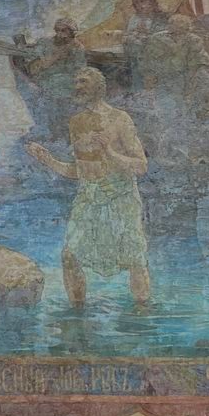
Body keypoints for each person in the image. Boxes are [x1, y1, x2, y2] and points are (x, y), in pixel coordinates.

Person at [26, 68, 149, 311]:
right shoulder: (77, 122)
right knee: (70, 257)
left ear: (99, 87)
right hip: (88, 196)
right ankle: (77, 316)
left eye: (83, 81)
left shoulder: (120, 119)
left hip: (120, 196)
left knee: (134, 259)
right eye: (75, 81)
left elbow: (141, 165)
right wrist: (48, 160)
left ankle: (143, 315)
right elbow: (79, 171)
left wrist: (110, 153)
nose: (77, 86)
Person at [5, 16, 86, 142]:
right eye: (58, 30)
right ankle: (49, 129)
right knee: (44, 92)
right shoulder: (45, 43)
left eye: (64, 31)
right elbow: (33, 67)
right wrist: (55, 58)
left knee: (63, 94)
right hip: (44, 79)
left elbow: (80, 71)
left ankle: (61, 130)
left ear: (72, 33)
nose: (60, 34)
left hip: (67, 81)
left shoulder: (77, 48)